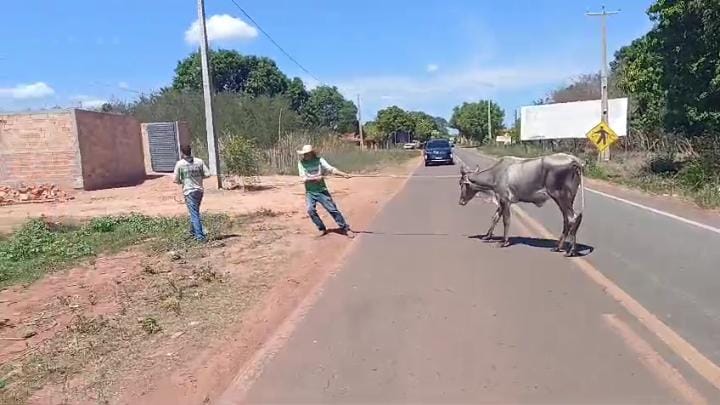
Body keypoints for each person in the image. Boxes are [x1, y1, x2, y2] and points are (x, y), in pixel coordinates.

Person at [297, 144, 353, 237]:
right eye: (304, 154)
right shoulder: (301, 163)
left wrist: (343, 174)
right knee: (310, 210)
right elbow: (303, 178)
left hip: (321, 190)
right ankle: (321, 228)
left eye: (307, 153)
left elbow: (330, 169)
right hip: (310, 192)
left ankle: (345, 229)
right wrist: (316, 178)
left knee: (333, 210)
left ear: (312, 153)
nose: (306, 155)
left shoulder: (319, 160)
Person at [173, 144, 211, 242]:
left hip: (189, 191)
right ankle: (193, 232)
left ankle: (200, 237)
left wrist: (183, 180)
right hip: (199, 191)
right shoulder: (199, 161)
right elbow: (207, 174)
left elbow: (176, 180)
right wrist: (198, 177)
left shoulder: (180, 164)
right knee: (194, 212)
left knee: (194, 214)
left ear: (182, 152)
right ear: (191, 151)